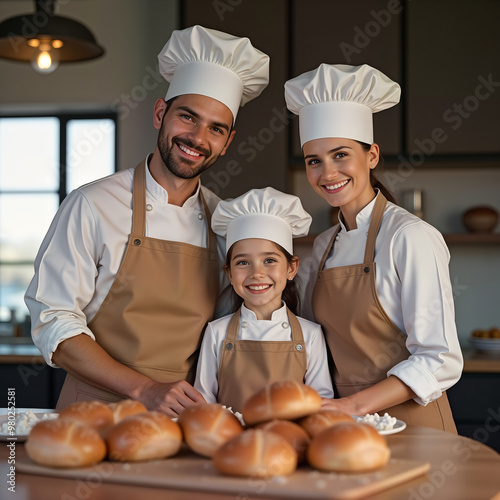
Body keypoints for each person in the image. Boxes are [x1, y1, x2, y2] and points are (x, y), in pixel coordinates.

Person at [24, 25, 270, 417]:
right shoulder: (93, 204)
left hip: (183, 418)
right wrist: (145, 389)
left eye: (215, 128)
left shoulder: (227, 223)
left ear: (227, 142)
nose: (197, 137)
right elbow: (54, 322)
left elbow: (229, 330)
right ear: (160, 113)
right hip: (92, 415)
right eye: (187, 117)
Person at [284, 64, 463, 432]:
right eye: (313, 161)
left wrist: (352, 405)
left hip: (414, 423)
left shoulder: (410, 236)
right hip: (341, 424)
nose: (327, 173)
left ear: (372, 156)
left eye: (340, 155)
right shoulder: (321, 246)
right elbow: (312, 342)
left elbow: (440, 358)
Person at [194, 187, 334, 412]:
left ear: (291, 268)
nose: (256, 273)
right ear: (229, 273)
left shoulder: (311, 335)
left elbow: (320, 405)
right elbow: (203, 406)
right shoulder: (216, 332)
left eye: (269, 260)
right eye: (242, 262)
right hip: (231, 444)